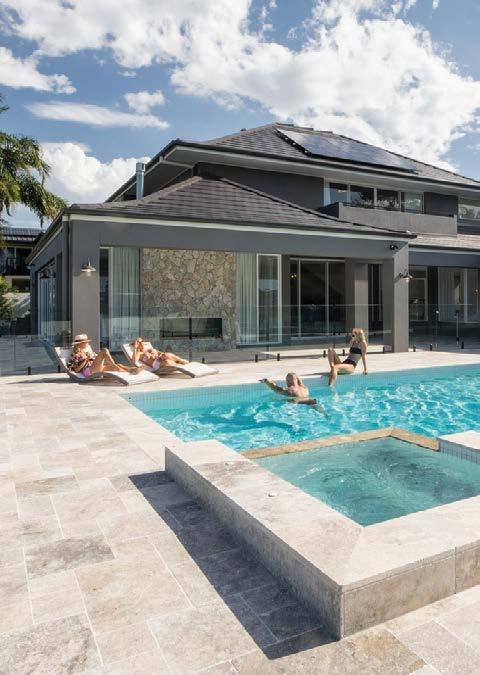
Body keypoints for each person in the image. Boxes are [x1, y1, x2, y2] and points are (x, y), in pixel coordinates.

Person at [67, 334, 142, 378]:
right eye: (85, 342)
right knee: (104, 350)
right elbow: (76, 370)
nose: (87, 343)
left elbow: (94, 360)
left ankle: (132, 370)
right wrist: (87, 359)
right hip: (88, 371)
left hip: (95, 367)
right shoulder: (75, 355)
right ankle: (114, 365)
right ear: (80, 344)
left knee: (118, 366)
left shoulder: (87, 352)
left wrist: (94, 356)